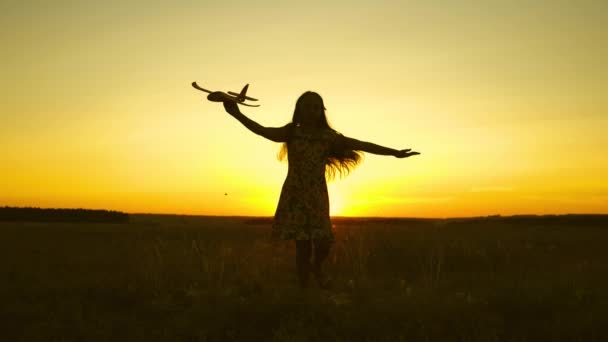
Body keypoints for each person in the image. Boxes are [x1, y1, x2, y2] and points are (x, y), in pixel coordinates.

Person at [221, 91, 419, 289]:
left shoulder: (328, 137)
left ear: (321, 111)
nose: (312, 111)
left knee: (324, 242)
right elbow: (262, 130)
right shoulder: (291, 132)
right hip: (295, 195)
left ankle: (316, 267)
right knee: (303, 246)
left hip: (317, 196)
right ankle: (303, 289)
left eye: (316, 107)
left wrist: (394, 153)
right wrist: (236, 114)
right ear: (299, 110)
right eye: (308, 106)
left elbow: (362, 144)